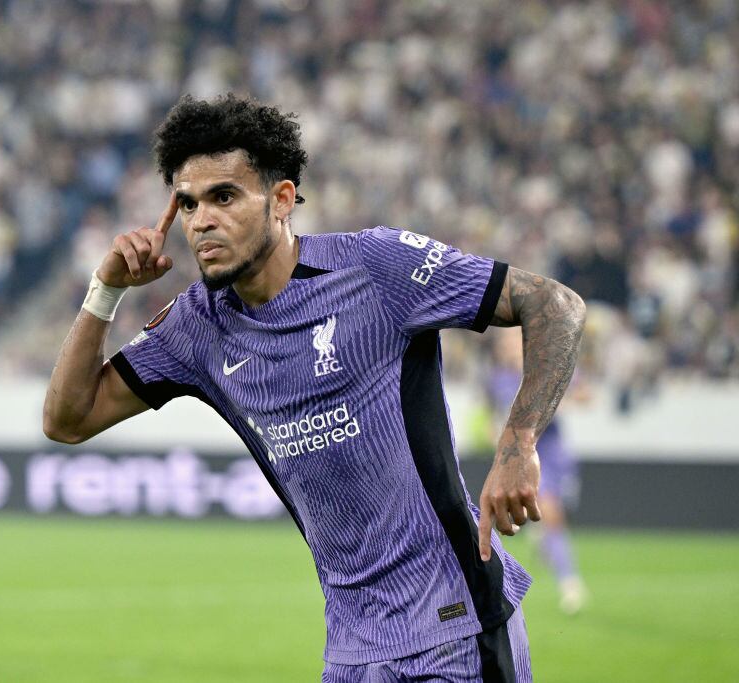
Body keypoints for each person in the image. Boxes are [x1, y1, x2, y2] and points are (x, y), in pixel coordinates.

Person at [43, 94, 586, 682]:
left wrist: (518, 445)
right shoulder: (196, 327)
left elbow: (554, 304)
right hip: (351, 651)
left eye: (224, 196)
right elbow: (68, 419)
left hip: (458, 633)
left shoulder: (374, 268)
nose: (201, 220)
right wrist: (105, 289)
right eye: (187, 202)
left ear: (281, 200)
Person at [486, 329, 588, 615]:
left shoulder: (548, 367)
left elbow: (584, 393)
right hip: (523, 458)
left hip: (553, 455)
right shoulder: (498, 380)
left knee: (555, 514)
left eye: (513, 342)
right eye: (504, 343)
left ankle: (544, 538)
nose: (508, 348)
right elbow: (494, 415)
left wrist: (556, 403)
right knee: (550, 514)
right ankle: (570, 585)